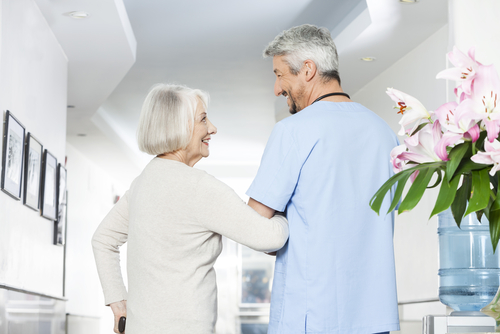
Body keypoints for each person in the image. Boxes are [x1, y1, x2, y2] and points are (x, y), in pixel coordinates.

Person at [91, 84, 289, 334]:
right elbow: (268, 237)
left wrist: (118, 302)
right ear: (178, 126)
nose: (212, 128)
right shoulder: (199, 187)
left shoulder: (142, 183)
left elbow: (102, 239)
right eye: (203, 119)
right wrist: (292, 213)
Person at [247, 24, 400, 334]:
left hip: (312, 316)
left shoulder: (293, 131)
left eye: (279, 74)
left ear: (307, 70)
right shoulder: (385, 133)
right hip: (375, 317)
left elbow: (254, 225)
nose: (277, 88)